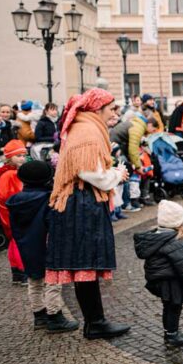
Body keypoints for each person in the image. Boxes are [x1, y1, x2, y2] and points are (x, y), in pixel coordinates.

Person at [45, 88, 130, 339]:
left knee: (86, 264)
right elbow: (92, 173)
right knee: (86, 262)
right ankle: (95, 323)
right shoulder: (87, 131)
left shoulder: (85, 126)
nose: (114, 114)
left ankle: (95, 322)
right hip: (81, 204)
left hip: (80, 202)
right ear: (97, 108)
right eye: (111, 109)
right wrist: (117, 174)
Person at [6, 160, 80, 332]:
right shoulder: (48, 199)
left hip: (26, 246)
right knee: (52, 281)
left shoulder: (16, 201)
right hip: (47, 245)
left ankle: (39, 315)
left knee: (34, 279)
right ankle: (55, 317)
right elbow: (54, 225)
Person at [133, 200, 183, 348]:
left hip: (158, 279)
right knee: (174, 306)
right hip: (170, 280)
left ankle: (170, 332)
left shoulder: (155, 237)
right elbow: (182, 262)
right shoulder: (175, 240)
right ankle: (172, 336)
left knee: (168, 306)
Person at [0, 139, 29, 284]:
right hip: (14, 213)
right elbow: (16, 196)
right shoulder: (11, 175)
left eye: (24, 155)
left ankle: (17, 273)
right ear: (9, 157)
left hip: (10, 213)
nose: (22, 158)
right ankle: (23, 271)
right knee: (20, 243)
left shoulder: (9, 172)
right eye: (18, 156)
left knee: (14, 242)